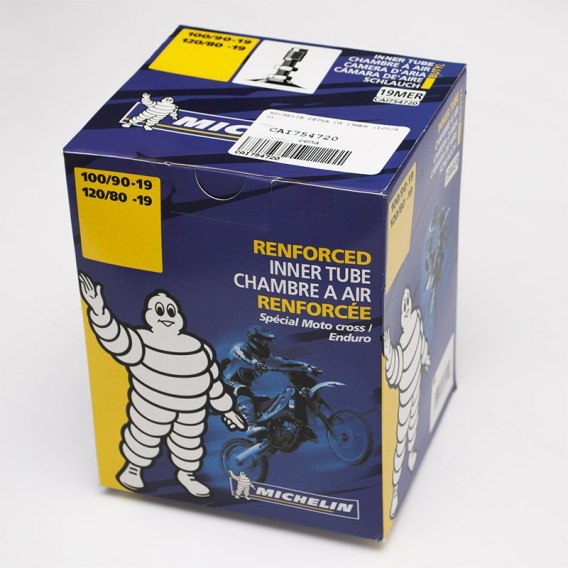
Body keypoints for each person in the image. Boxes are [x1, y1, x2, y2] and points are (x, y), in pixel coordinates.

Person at [222, 326, 320, 436]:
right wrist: (255, 363)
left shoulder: (265, 358)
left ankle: (274, 433)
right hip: (224, 386)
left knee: (267, 404)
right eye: (263, 341)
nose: (266, 344)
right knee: (242, 389)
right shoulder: (240, 348)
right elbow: (243, 355)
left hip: (247, 391)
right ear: (254, 339)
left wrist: (307, 367)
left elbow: (284, 363)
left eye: (267, 342)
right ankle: (249, 426)